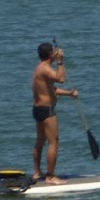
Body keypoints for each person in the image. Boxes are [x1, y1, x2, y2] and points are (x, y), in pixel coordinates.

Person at [31, 41, 80, 184]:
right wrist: (60, 62)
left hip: (38, 109)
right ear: (50, 54)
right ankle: (50, 176)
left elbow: (51, 90)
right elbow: (60, 79)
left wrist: (69, 93)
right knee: (54, 143)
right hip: (47, 111)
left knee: (40, 141)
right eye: (53, 51)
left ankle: (37, 173)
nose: (56, 52)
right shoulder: (45, 69)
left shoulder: (40, 69)